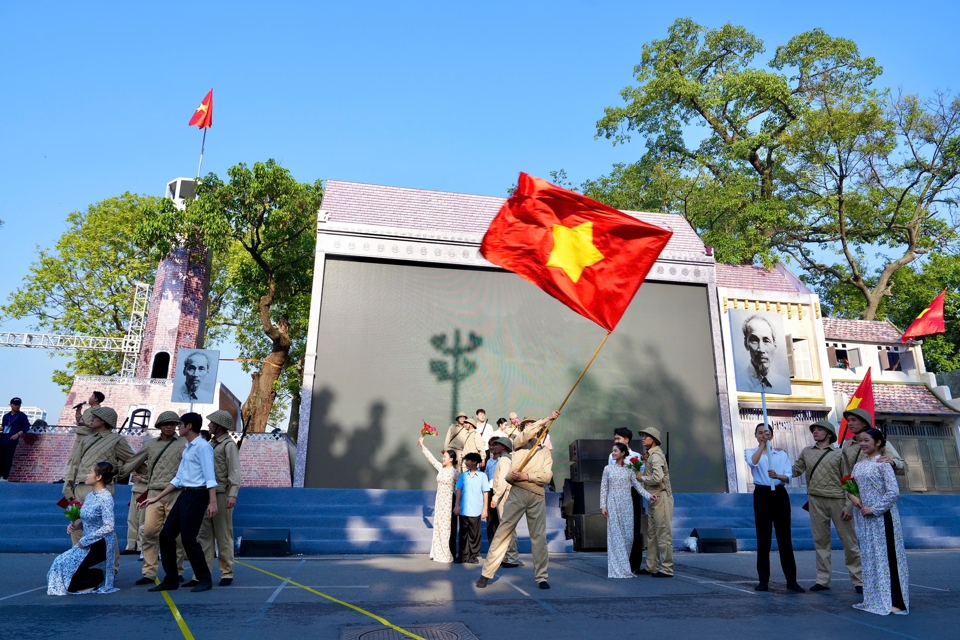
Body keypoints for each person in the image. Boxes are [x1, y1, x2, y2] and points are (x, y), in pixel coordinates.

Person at [476, 410, 559, 590]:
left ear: (540, 431)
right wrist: (546, 418)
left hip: (536, 495)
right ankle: (486, 573)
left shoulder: (545, 452)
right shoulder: (517, 445)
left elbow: (546, 476)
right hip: (517, 493)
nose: (530, 428)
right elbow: (525, 435)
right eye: (527, 425)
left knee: (539, 537)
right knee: (503, 532)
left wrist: (526, 476)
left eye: (534, 426)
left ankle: (542, 576)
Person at [141, 412, 218, 593]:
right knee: (166, 535)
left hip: (198, 495)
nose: (178, 427)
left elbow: (210, 477)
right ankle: (171, 579)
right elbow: (178, 478)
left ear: (189, 426)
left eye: (180, 424)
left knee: (188, 539)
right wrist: (156, 498)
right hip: (184, 494)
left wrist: (212, 502)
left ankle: (204, 579)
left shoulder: (203, 447)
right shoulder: (188, 448)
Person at [792, 419, 863, 594]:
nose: (815, 431)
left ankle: (859, 580)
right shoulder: (806, 452)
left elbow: (848, 479)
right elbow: (794, 471)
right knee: (821, 541)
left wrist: (849, 505)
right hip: (815, 500)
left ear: (829, 434)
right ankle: (823, 580)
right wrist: (775, 455)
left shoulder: (839, 454)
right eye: (814, 429)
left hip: (838, 500)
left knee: (850, 542)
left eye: (819, 429)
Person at [847, 428, 910, 615]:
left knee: (889, 557)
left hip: (884, 517)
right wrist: (853, 498)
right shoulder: (858, 466)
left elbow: (893, 492)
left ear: (878, 443)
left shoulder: (884, 463)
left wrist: (874, 509)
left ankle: (896, 602)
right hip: (865, 519)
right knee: (871, 557)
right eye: (860, 441)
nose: (863, 444)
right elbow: (850, 488)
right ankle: (875, 598)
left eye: (867, 440)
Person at [62, 406, 138, 559]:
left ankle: (111, 567)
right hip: (81, 486)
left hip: (101, 488)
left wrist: (118, 471)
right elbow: (74, 464)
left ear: (103, 421)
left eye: (95, 417)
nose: (91, 419)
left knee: (104, 528)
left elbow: (133, 459)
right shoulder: (86, 439)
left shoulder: (116, 440)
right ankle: (78, 563)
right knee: (76, 525)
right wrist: (68, 485)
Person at [123, 410, 187, 586]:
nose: (169, 426)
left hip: (177, 491)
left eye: (173, 423)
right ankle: (149, 572)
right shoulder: (150, 444)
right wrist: (116, 472)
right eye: (166, 423)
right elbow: (135, 461)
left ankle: (178, 571)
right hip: (153, 494)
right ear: (159, 426)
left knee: (177, 536)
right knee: (150, 532)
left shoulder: (185, 443)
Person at [746, 423, 804, 592]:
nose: (764, 434)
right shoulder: (750, 451)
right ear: (756, 435)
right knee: (763, 537)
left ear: (772, 434)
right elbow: (753, 462)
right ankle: (763, 580)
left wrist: (777, 475)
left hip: (779, 494)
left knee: (784, 537)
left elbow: (788, 476)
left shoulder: (780, 454)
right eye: (760, 432)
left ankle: (791, 580)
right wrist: (762, 445)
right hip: (762, 494)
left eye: (767, 432)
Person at [47, 462, 120, 595]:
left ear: (98, 477)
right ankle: (92, 579)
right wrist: (76, 526)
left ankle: (96, 580)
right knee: (60, 561)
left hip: (100, 544)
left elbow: (109, 526)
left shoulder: (106, 497)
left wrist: (85, 541)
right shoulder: (90, 496)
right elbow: (88, 521)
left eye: (91, 472)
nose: (87, 475)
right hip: (88, 542)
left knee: (70, 568)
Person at [188, 410, 241, 587]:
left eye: (212, 423)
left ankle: (227, 572)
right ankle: (202, 573)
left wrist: (232, 493)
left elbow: (234, 471)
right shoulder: (210, 444)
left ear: (219, 426)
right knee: (204, 536)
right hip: (207, 494)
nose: (208, 425)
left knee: (223, 534)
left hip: (222, 493)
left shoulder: (228, 445)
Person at [602, 443, 656, 579]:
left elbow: (638, 487)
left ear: (623, 453)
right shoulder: (607, 469)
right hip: (613, 504)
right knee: (615, 536)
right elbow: (604, 488)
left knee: (628, 537)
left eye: (615, 451)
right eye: (612, 451)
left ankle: (624, 565)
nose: (613, 453)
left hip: (627, 504)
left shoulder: (629, 470)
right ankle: (617, 569)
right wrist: (603, 506)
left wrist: (649, 496)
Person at [636, 427, 674, 578]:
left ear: (654, 439)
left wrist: (641, 478)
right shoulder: (650, 455)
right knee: (652, 533)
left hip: (661, 497)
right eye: (642, 436)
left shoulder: (656, 456)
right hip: (653, 497)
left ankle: (667, 568)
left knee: (663, 533)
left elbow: (657, 478)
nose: (643, 438)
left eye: (646, 436)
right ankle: (651, 566)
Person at [607, 427, 645, 573]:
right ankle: (618, 564)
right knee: (617, 529)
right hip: (616, 495)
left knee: (633, 529)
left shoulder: (636, 456)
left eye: (618, 438)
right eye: (615, 439)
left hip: (632, 493)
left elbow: (640, 476)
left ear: (627, 440)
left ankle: (633, 564)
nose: (616, 441)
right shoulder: (612, 456)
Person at [417, 434, 458, 563]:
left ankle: (446, 554)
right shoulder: (441, 468)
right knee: (438, 526)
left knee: (446, 528)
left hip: (448, 503)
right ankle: (437, 553)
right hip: (439, 501)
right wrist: (423, 445)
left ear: (451, 459)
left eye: (445, 457)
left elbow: (461, 489)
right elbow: (432, 459)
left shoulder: (456, 473)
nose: (442, 458)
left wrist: (457, 504)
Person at [840, 408, 905, 481]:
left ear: (864, 423)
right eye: (848, 420)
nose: (850, 423)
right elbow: (846, 471)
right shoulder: (847, 444)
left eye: (854, 420)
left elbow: (903, 468)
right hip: (856, 488)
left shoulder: (880, 442)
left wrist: (893, 463)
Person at [738, 315, 791, 393]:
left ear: (774, 346)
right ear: (746, 344)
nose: (761, 349)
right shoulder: (737, 381)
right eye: (754, 340)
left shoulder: (783, 384)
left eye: (766, 341)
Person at [488, 436, 520, 569]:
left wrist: (495, 497)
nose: (494, 447)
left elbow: (503, 481)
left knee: (508, 526)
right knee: (506, 526)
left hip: (504, 496)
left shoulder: (505, 460)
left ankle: (511, 558)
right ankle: (508, 556)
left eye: (498, 444)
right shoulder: (505, 459)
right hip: (504, 495)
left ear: (504, 447)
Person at [454, 452, 490, 564]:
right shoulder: (464, 475)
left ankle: (473, 556)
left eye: (467, 460)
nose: (465, 462)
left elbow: (485, 492)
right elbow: (458, 490)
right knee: (463, 534)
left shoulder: (482, 476)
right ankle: (462, 555)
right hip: (464, 509)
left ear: (474, 462)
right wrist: (456, 505)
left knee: (474, 534)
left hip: (476, 509)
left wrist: (485, 509)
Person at [1, 397, 31, 481]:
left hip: (12, 440)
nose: (17, 406)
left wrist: (18, 434)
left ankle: (5, 476)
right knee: (1, 457)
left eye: (19, 404)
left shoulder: (22, 416)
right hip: (3, 438)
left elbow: (26, 427)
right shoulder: (6, 416)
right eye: (15, 404)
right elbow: (3, 427)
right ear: (11, 405)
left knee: (8, 458)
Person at [72, 391, 105, 459]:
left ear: (96, 399)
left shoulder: (99, 411)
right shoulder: (87, 410)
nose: (89, 398)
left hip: (87, 436)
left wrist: (85, 424)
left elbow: (98, 425)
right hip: (79, 435)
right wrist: (78, 410)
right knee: (73, 457)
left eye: (92, 396)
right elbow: (79, 421)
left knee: (81, 458)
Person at [122, 471, 149, 555]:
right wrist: (132, 475)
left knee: (141, 519)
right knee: (131, 519)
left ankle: (140, 547)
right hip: (135, 489)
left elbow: (157, 479)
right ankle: (130, 545)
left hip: (145, 491)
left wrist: (142, 479)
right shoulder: (138, 460)